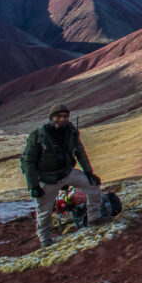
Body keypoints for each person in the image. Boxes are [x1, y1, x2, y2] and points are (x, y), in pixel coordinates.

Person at [21, 104, 106, 248]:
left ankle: (94, 218)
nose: (62, 119)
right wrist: (34, 185)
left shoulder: (71, 131)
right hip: (47, 178)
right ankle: (45, 238)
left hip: (66, 172)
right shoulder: (38, 135)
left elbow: (79, 151)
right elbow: (29, 161)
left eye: (65, 116)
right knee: (44, 209)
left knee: (93, 185)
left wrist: (89, 172)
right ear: (51, 117)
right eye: (58, 116)